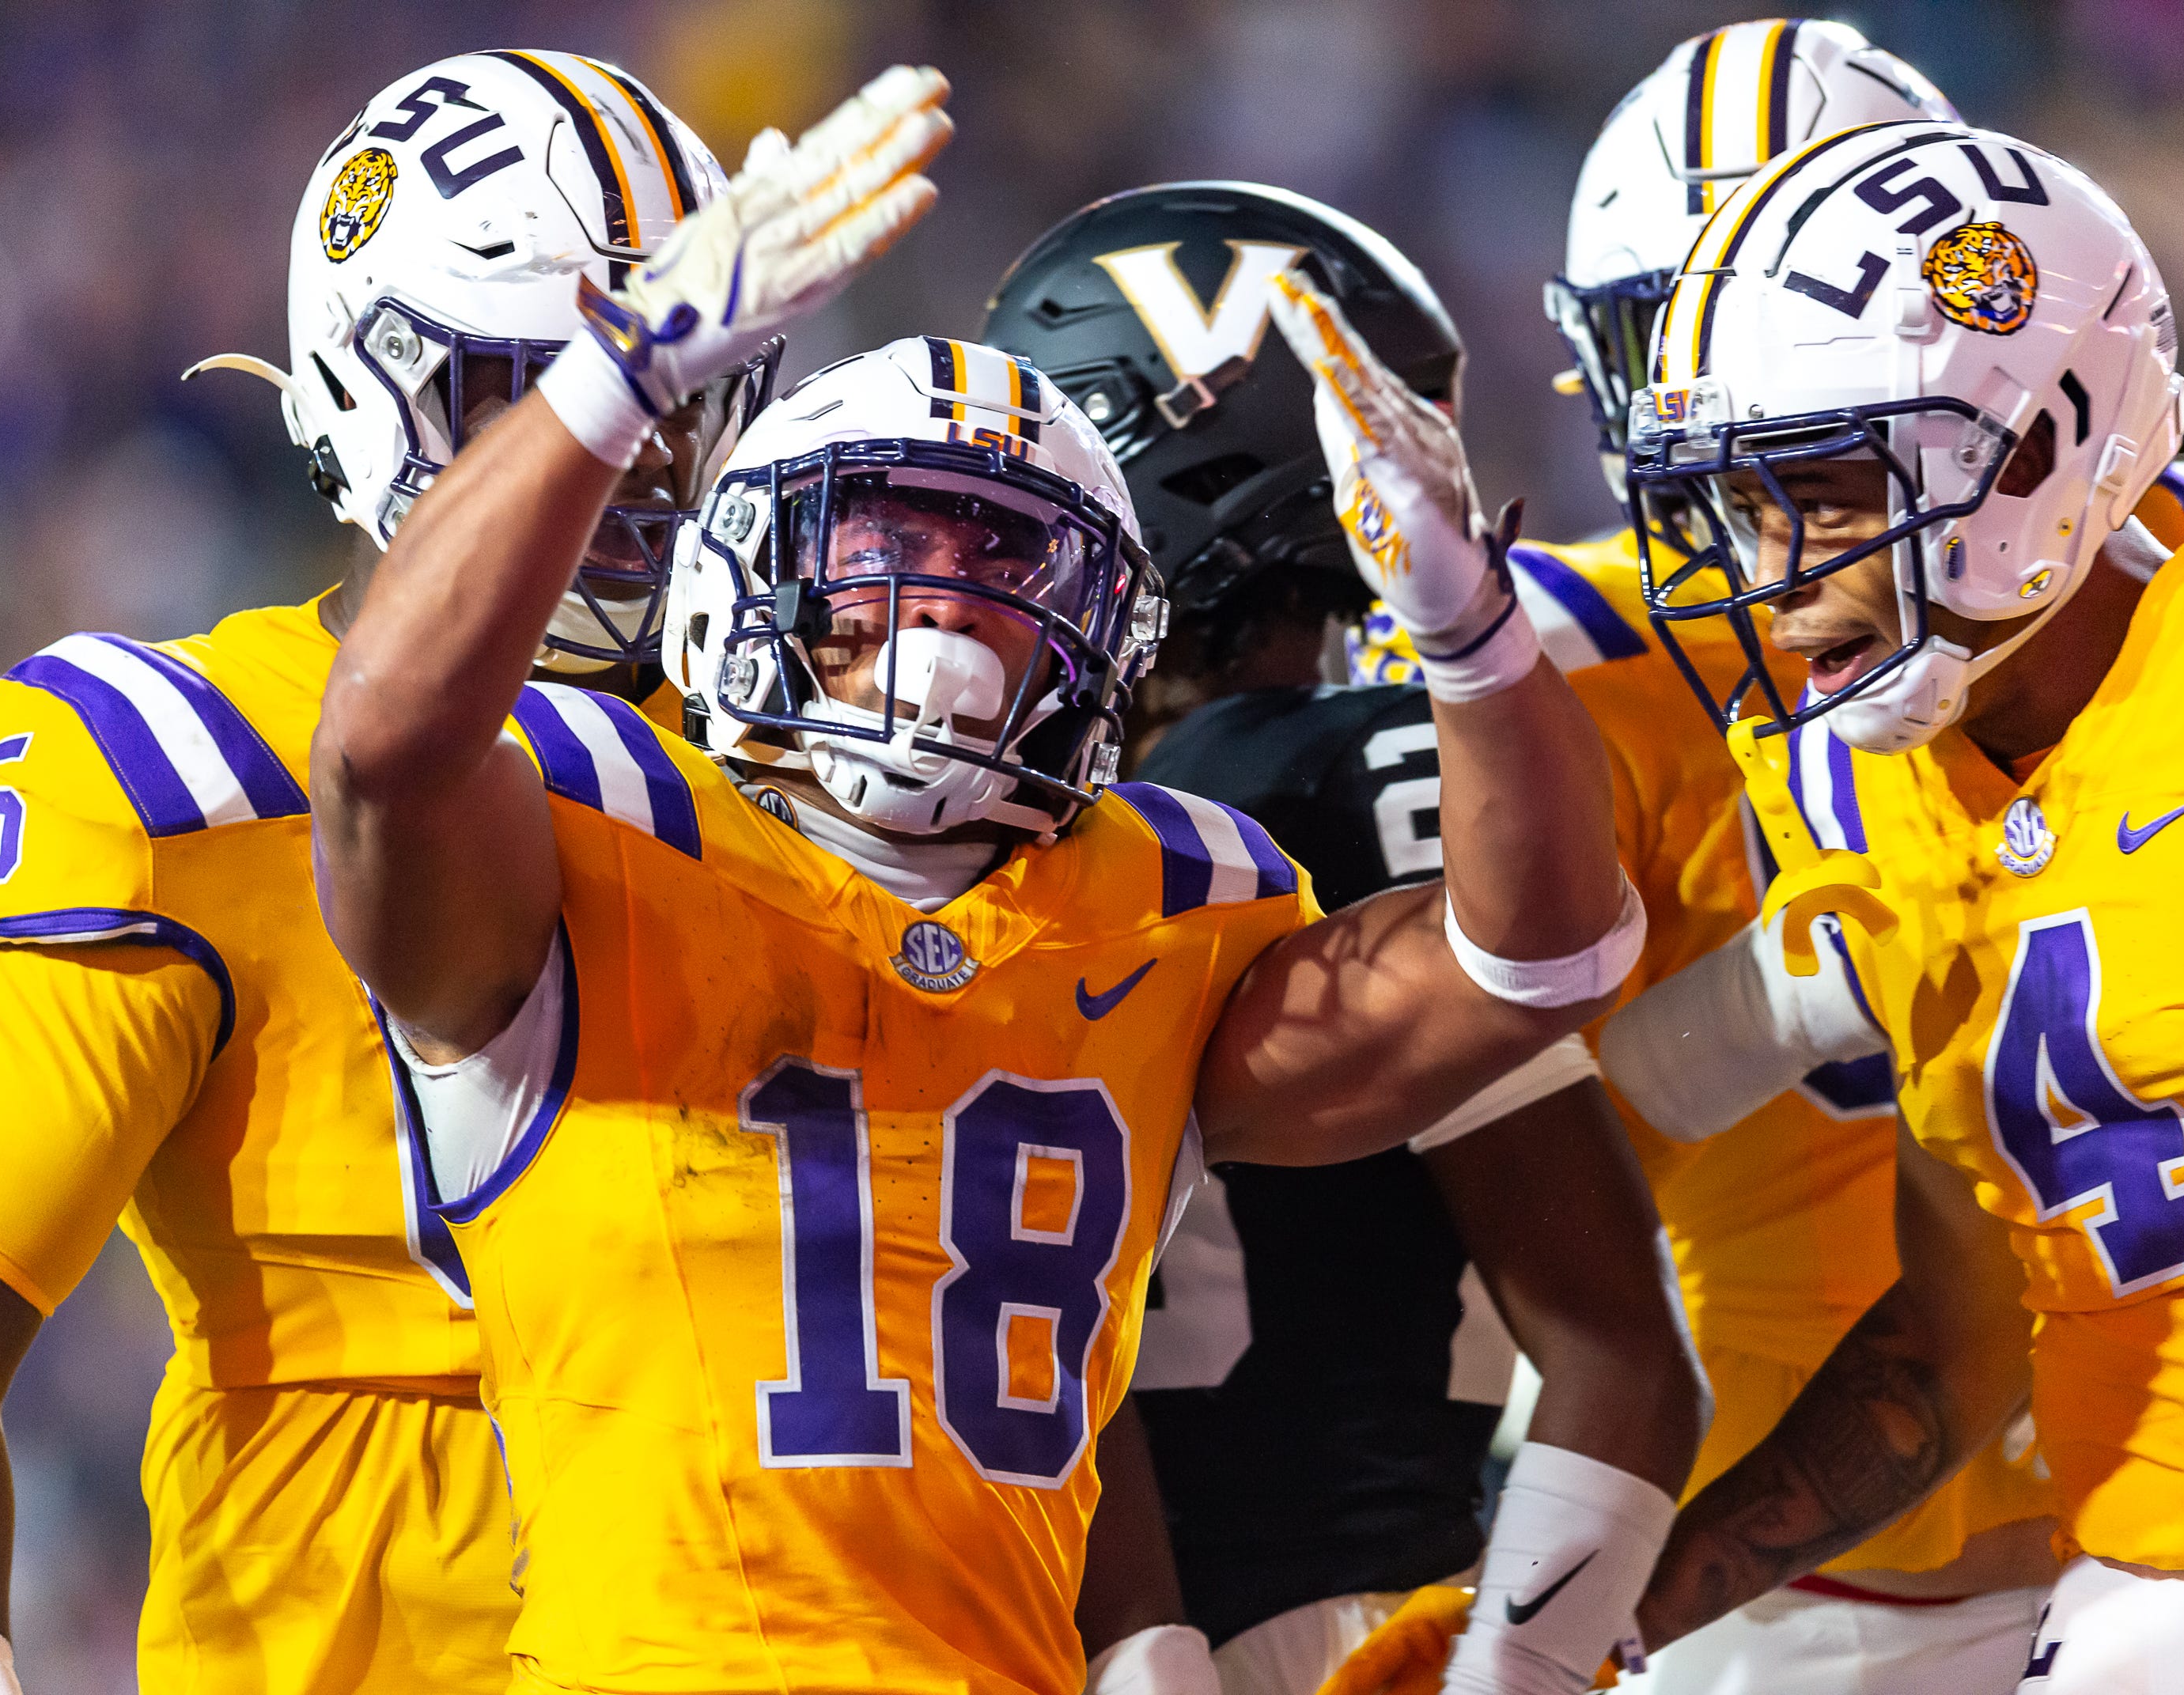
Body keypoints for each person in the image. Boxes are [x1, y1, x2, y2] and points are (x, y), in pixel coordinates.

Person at [307, 59, 1649, 1695]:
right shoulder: (601, 838)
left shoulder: (1158, 903)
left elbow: (1544, 960)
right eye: (894, 554)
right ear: (754, 589)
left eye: (1009, 570)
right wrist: (619, 370)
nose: (947, 616)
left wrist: (1465, 625)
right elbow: (380, 747)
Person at [0, 51, 767, 1695]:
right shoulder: (193, 777)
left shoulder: (790, 763)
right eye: (550, 383)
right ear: (374, 396)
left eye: (680, 393)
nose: (641, 464)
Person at [979, 182, 1705, 1695]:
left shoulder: (1317, 775)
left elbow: (1617, 1344)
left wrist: (1515, 1672)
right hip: (1051, 1617)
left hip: (1333, 1628)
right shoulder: (1026, 804)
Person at [1614, 119, 2184, 1689]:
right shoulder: (1859, 786)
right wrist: (1604, 1627)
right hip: (2135, 1586)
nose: (1776, 579)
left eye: (1827, 496)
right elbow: (1953, 1337)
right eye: (1743, 509)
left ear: (2038, 445)